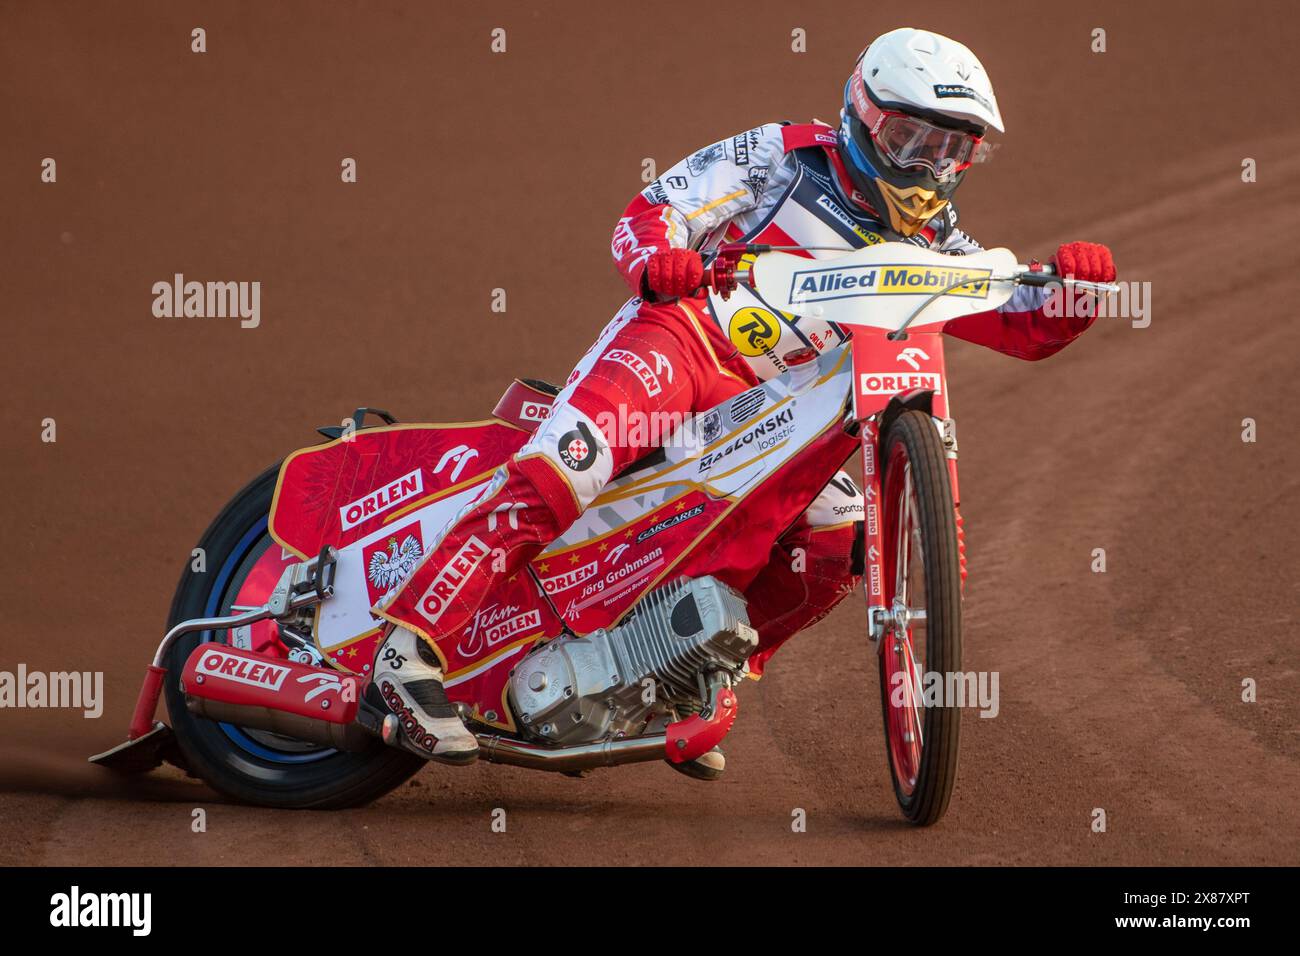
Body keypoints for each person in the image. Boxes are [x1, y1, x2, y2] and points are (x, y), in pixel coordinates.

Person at [371, 27, 1117, 776]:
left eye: (950, 149)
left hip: (774, 417)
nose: (926, 167)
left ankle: (687, 668)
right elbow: (652, 210)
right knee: (572, 465)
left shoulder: (938, 247)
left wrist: (1074, 296)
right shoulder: (782, 155)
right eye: (908, 137)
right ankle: (407, 651)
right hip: (686, 340)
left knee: (843, 536)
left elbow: (1017, 324)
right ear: (861, 114)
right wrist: (661, 262)